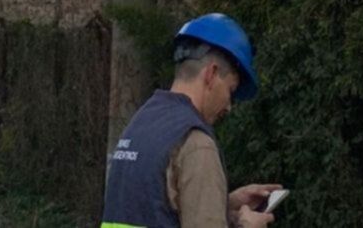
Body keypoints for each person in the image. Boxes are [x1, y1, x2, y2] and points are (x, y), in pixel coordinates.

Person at [101, 12, 283, 228]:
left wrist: (223, 205)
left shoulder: (140, 124)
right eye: (231, 91)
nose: (229, 106)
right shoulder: (196, 143)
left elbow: (154, 207)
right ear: (211, 74)